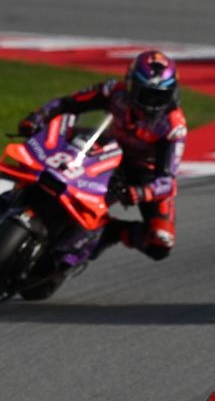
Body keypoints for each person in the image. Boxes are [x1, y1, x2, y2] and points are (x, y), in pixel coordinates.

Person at [16, 50, 187, 260]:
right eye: (147, 94)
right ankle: (19, 196)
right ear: (131, 85)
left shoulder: (173, 126)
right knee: (46, 159)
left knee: (160, 242)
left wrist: (140, 193)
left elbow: (167, 181)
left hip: (144, 174)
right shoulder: (113, 91)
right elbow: (68, 103)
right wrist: (37, 117)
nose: (153, 103)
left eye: (161, 95)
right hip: (105, 149)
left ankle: (110, 231)